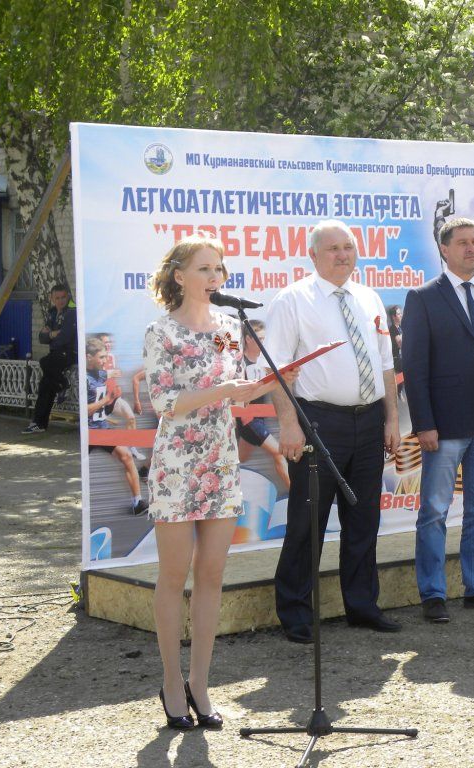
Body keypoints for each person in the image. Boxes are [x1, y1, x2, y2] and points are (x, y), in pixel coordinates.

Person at [143, 234, 290, 729]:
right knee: (173, 576)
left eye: (219, 269)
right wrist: (222, 389)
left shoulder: (229, 327)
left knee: (211, 576)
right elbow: (165, 402)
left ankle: (200, 684)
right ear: (179, 276)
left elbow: (237, 392)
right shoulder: (161, 331)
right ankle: (171, 683)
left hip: (221, 463)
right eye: (205, 268)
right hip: (177, 465)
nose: (215, 277)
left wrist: (266, 383)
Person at [266, 219, 402, 641]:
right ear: (312, 255)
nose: (343, 255)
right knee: (307, 522)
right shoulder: (292, 300)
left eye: (348, 247)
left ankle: (362, 606)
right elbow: (278, 371)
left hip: (369, 422)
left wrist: (392, 419)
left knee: (364, 518)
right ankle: (296, 613)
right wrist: (289, 425)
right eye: (333, 249)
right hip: (318, 423)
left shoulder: (369, 297)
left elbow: (385, 364)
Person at [402, 217, 474, 623]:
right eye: (463, 242)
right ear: (444, 249)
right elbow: (414, 367)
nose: (472, 248)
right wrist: (424, 423)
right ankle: (433, 593)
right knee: (434, 512)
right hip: (444, 426)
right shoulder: (422, 298)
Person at [84, 336, 148, 515]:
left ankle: (137, 503)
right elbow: (84, 411)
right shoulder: (83, 379)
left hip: (101, 428)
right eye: (101, 357)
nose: (105, 361)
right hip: (87, 432)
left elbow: (112, 374)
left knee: (126, 456)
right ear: (88, 357)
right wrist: (107, 399)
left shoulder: (100, 373)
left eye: (106, 356)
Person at [236, 319, 290, 490]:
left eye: (265, 339)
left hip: (259, 418)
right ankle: (299, 497)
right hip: (247, 419)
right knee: (279, 454)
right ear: (248, 339)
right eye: (260, 339)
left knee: (239, 459)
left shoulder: (266, 360)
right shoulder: (238, 361)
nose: (264, 343)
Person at [22, 284, 77, 434]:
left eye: (63, 297)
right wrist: (52, 334)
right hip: (56, 355)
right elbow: (41, 337)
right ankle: (39, 423)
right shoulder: (52, 313)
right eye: (57, 298)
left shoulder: (72, 312)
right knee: (45, 385)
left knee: (44, 362)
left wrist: (50, 336)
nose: (61, 301)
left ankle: (63, 384)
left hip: (70, 353)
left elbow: (65, 338)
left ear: (68, 296)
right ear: (52, 298)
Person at [387, 304, 404, 398]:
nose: (401, 315)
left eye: (401, 313)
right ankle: (395, 391)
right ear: (393, 317)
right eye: (398, 314)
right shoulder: (393, 329)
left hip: (401, 356)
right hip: (396, 357)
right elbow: (400, 343)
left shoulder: (400, 328)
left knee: (402, 375)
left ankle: (397, 391)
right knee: (401, 374)